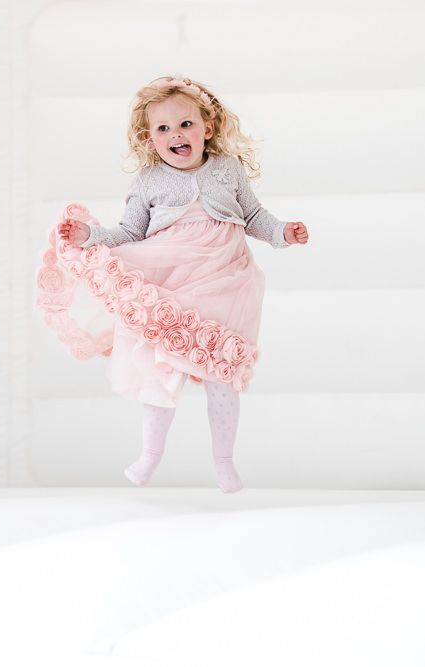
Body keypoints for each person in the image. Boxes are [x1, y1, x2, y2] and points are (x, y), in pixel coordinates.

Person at [37, 76, 309, 493]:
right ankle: (150, 454)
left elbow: (253, 216)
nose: (176, 135)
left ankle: (224, 462)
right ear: (150, 139)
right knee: (160, 368)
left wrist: (283, 233)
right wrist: (90, 238)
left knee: (223, 372)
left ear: (208, 128)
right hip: (172, 281)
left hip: (225, 281)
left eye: (185, 124)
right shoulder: (148, 181)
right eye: (163, 129)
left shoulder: (227, 170)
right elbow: (129, 232)